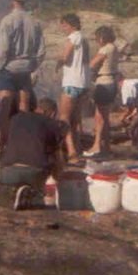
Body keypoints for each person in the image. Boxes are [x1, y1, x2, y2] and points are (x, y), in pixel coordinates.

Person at [0, 0, 45, 162]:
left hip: (9, 68)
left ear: (12, 0)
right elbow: (41, 51)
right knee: (24, 108)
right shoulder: (35, 22)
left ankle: (2, 147)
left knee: (4, 108)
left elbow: (4, 49)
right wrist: (32, 65)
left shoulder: (7, 20)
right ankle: (23, 147)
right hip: (26, 68)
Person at [0, 97, 66, 210]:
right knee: (52, 162)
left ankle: (15, 189)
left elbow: (5, 143)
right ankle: (35, 191)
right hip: (36, 174)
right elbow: (57, 156)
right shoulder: (52, 124)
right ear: (52, 113)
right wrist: (58, 178)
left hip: (8, 173)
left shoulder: (15, 118)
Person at [56, 13, 90, 163]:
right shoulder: (84, 39)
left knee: (64, 118)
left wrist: (58, 63)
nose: (63, 28)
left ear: (71, 25)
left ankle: (71, 152)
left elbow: (65, 57)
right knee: (75, 118)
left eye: (64, 25)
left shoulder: (73, 37)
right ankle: (78, 147)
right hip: (84, 83)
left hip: (72, 82)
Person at [84, 25, 119, 158]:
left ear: (102, 37)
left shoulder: (106, 49)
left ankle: (97, 145)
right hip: (111, 82)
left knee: (99, 118)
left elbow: (92, 64)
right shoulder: (114, 48)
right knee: (105, 117)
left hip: (103, 82)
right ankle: (106, 147)